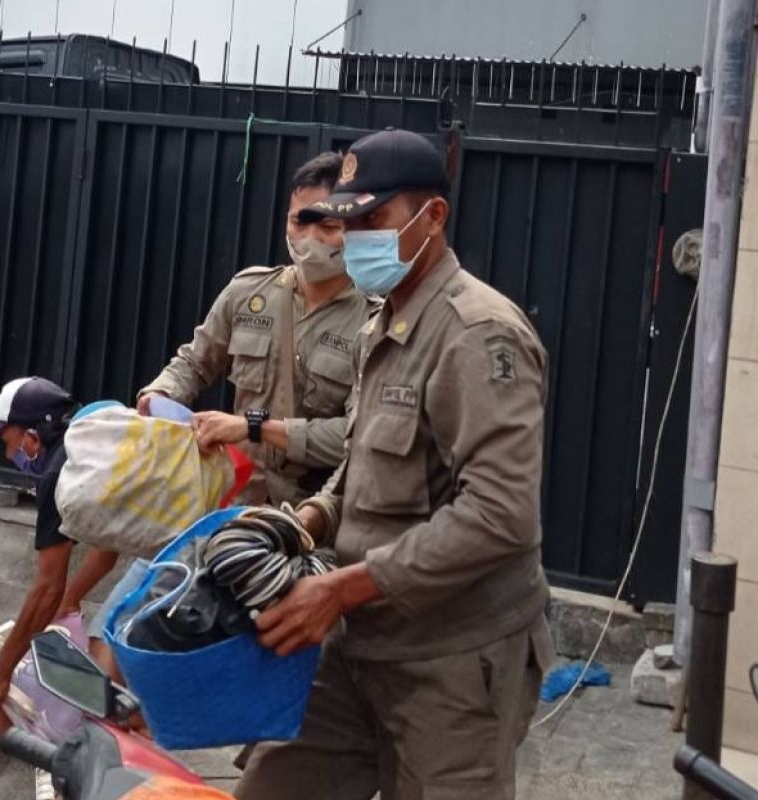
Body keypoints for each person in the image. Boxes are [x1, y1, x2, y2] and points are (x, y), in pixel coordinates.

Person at [235, 129, 553, 800]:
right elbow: (364, 460)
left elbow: (501, 516)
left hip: (455, 664)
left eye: (372, 220)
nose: (352, 238)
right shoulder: (384, 320)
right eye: (346, 221)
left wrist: (342, 588)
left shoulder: (476, 333)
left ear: (431, 216)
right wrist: (310, 518)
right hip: (361, 642)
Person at [137, 151, 376, 508]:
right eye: (299, 222)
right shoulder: (249, 292)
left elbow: (357, 435)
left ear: (355, 229)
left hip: (313, 515)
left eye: (328, 227)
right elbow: (195, 361)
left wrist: (253, 427)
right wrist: (161, 395)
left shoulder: (373, 322)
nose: (309, 238)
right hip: (233, 500)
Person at [0, 377, 124, 709]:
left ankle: (114, 746)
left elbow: (47, 587)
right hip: (191, 529)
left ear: (33, 437)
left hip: (185, 548)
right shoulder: (89, 442)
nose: (8, 454)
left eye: (6, 441)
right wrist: (70, 601)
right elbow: (106, 549)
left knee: (106, 648)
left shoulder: (60, 472)